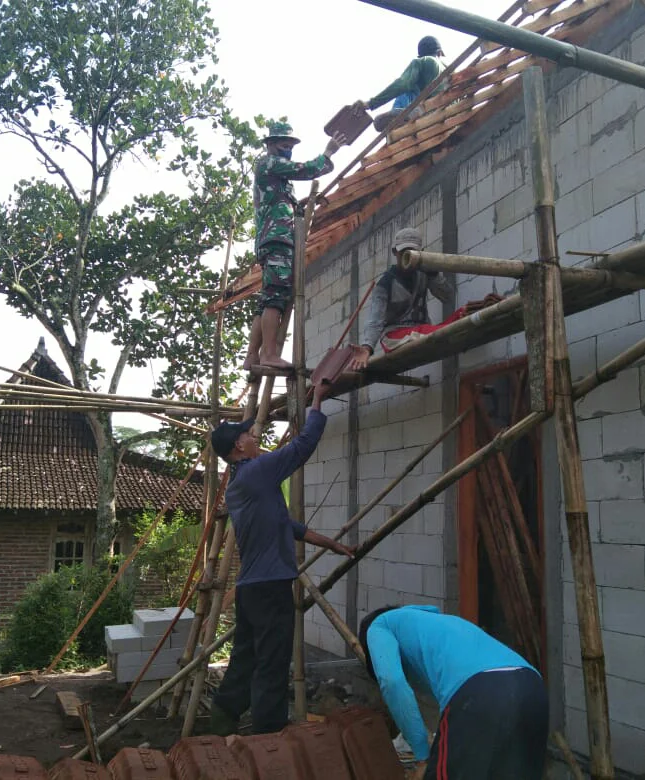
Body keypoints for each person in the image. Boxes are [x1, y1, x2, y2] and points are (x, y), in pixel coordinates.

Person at [208, 381, 355, 735]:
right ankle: (269, 731)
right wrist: (317, 401)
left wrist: (328, 543)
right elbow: (302, 447)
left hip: (251, 589)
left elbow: (283, 524)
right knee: (272, 660)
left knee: (245, 656)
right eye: (248, 435)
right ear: (238, 446)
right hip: (271, 586)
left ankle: (223, 716)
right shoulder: (257, 472)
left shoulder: (242, 484)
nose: (254, 436)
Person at [359, 605, 548, 779]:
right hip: (532, 687)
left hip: (482, 691)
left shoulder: (379, 626)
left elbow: (392, 682)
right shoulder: (436, 623)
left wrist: (423, 756)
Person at [246, 121, 346, 371]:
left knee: (268, 298)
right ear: (270, 144)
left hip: (272, 239)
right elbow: (307, 170)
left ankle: (252, 356)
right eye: (284, 144)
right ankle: (269, 354)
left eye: (291, 145)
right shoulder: (270, 163)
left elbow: (281, 204)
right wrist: (329, 152)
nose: (288, 149)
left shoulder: (276, 178)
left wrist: (302, 205)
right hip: (277, 239)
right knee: (275, 298)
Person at [348, 227, 456, 371]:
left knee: (460, 316)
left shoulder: (424, 273)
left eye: (412, 252)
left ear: (420, 252)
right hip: (395, 336)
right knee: (433, 332)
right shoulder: (385, 284)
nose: (407, 257)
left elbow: (448, 296)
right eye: (403, 252)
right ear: (395, 252)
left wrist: (434, 274)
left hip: (421, 330)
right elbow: (375, 320)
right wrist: (367, 347)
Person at [356, 36, 447, 132]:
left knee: (378, 122)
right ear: (439, 53)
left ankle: (405, 117)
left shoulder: (423, 61)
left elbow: (403, 84)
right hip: (447, 112)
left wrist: (370, 104)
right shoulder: (449, 70)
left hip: (428, 113)